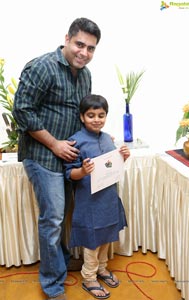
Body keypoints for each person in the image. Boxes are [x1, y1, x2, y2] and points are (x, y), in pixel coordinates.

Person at [12, 18, 101, 300]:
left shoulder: (85, 75)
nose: (84, 52)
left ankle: (60, 261)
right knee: (51, 220)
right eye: (79, 44)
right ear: (66, 38)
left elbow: (84, 115)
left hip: (68, 159)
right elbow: (22, 112)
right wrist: (55, 144)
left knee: (62, 217)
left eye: (91, 48)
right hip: (42, 156)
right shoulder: (42, 66)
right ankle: (52, 285)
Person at [63, 94, 130, 299]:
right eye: (91, 115)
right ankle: (89, 277)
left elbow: (112, 167)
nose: (96, 119)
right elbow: (69, 173)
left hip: (109, 200)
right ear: (82, 117)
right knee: (92, 241)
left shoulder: (108, 138)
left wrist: (123, 157)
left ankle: (102, 269)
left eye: (101, 115)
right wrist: (82, 171)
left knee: (107, 237)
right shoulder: (76, 142)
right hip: (89, 203)